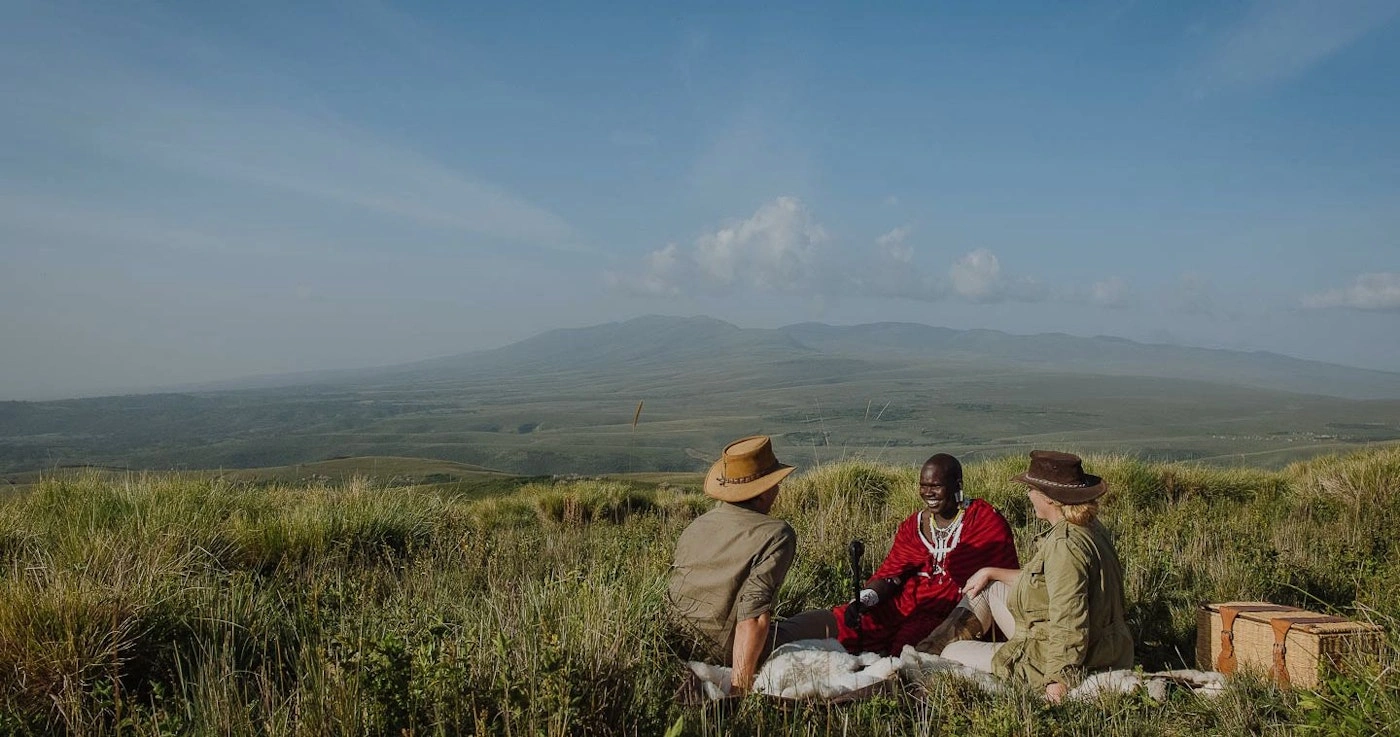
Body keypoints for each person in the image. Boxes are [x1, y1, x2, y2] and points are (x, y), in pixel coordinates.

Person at [776, 453, 1020, 657]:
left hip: (957, 612)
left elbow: (1001, 582)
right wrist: (866, 598)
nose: (928, 493)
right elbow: (892, 574)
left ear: (957, 485)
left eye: (936, 486)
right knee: (845, 621)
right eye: (923, 486)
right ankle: (774, 638)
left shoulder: (985, 520)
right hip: (908, 605)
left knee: (910, 647)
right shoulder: (912, 526)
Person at [939, 450, 1134, 703]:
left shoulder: (1065, 545)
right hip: (1106, 645)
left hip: (1073, 656)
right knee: (989, 587)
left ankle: (928, 657)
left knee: (951, 652)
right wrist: (991, 572)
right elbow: (1050, 580)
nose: (1029, 495)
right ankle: (926, 649)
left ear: (1049, 498)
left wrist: (1057, 682)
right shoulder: (1088, 526)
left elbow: (1070, 618)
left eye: (1031, 489)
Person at [667, 435, 798, 695]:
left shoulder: (696, 525)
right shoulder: (776, 534)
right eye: (775, 483)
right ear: (763, 492)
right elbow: (755, 616)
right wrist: (739, 689)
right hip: (725, 650)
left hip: (678, 643)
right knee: (823, 621)